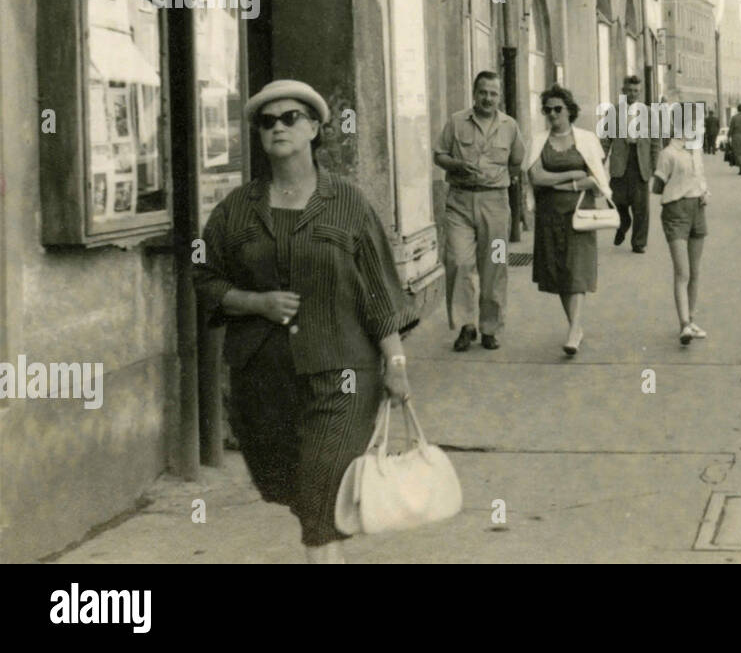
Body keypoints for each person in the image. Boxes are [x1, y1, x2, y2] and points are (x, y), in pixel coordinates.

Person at [194, 80, 419, 564]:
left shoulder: (347, 203)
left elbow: (379, 291)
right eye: (267, 122)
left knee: (320, 497)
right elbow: (204, 279)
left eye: (290, 118)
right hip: (263, 379)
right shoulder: (235, 211)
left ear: (314, 128)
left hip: (342, 374)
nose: (278, 127)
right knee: (295, 493)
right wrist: (255, 302)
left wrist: (395, 362)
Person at [434, 71, 525, 352]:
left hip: (495, 205)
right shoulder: (456, 121)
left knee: (494, 267)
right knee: (459, 263)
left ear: (499, 96)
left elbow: (517, 161)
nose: (488, 98)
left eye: (493, 93)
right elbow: (439, 155)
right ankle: (466, 326)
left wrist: (495, 180)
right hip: (460, 203)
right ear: (475, 93)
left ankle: (489, 327)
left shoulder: (510, 126)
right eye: (483, 92)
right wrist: (457, 166)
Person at [525, 85, 613, 356]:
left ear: (569, 110)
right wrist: (571, 175)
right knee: (560, 271)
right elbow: (537, 177)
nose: (552, 114)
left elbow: (594, 179)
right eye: (548, 109)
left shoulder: (585, 140)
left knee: (576, 269)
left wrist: (570, 186)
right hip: (549, 216)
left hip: (578, 213)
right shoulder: (539, 141)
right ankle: (575, 326)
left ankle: (575, 328)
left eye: (558, 109)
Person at [652, 123, 710, 345]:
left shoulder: (696, 150)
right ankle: (684, 324)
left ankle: (691, 320)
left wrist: (705, 192)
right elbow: (657, 186)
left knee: (695, 271)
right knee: (682, 271)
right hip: (675, 211)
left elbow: (702, 178)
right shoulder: (667, 154)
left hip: (698, 209)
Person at [602, 75, 660, 254]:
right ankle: (623, 221)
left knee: (641, 206)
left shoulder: (649, 113)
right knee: (613, 198)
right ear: (623, 91)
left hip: (641, 161)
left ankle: (639, 242)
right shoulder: (613, 112)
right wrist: (598, 162)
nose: (633, 94)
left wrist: (655, 166)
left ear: (640, 92)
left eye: (636, 91)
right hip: (621, 160)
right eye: (629, 90)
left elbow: (656, 142)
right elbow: (606, 140)